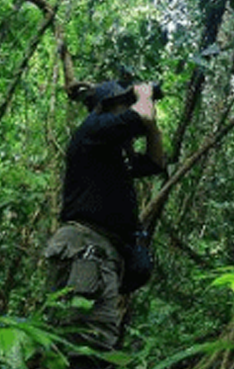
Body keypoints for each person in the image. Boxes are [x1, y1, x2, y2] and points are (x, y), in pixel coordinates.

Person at [44, 81, 164, 368]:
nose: (130, 108)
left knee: (75, 344)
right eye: (125, 102)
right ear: (108, 107)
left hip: (98, 252)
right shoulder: (95, 130)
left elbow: (155, 162)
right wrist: (144, 94)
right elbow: (142, 114)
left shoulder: (112, 150)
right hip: (87, 250)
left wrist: (151, 124)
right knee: (88, 345)